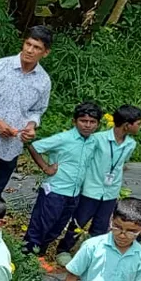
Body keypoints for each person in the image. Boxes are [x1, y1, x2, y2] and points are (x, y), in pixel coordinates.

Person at [0, 25, 53, 196]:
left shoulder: (43, 81)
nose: (30, 50)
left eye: (36, 48)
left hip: (11, 148)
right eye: (28, 44)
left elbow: (37, 110)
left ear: (45, 53)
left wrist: (30, 126)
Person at [57, 105, 141, 260]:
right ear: (127, 125)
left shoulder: (130, 144)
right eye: (138, 123)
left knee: (101, 225)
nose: (140, 126)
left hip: (111, 191)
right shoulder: (98, 139)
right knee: (79, 221)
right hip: (91, 189)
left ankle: (91, 253)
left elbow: (122, 164)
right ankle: (63, 249)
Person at [23, 102, 103, 257]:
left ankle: (40, 254)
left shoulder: (94, 141)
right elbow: (34, 147)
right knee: (42, 223)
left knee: (58, 225)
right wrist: (45, 167)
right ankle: (27, 254)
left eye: (92, 122)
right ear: (74, 121)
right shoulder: (64, 138)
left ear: (98, 124)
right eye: (83, 121)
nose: (87, 125)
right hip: (55, 190)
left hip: (74, 193)